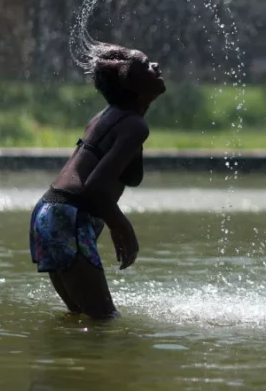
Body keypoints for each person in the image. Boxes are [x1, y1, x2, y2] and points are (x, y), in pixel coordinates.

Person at [28, 43, 166, 319]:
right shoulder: (133, 125)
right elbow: (96, 186)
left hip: (48, 211)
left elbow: (121, 176)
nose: (156, 67)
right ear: (131, 83)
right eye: (146, 65)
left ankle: (71, 363)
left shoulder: (108, 117)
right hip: (69, 217)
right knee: (104, 320)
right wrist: (122, 228)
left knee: (80, 315)